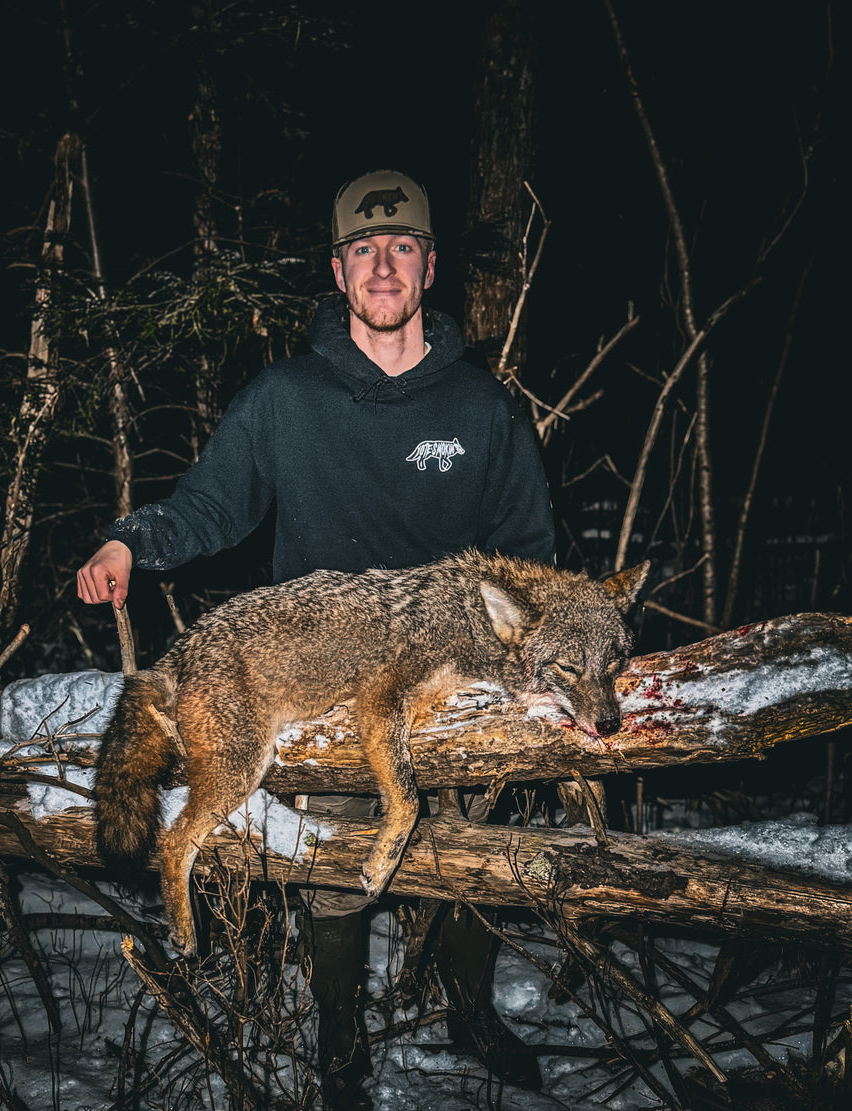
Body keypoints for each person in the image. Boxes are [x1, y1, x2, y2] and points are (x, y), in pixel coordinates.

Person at [78, 169, 554, 1106]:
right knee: (335, 872)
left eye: (403, 247)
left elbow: (530, 556)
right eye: (364, 251)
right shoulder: (284, 399)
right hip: (324, 678)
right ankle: (340, 1041)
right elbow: (211, 506)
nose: (384, 266)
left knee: (473, 855)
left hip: (455, 680)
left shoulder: (482, 409)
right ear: (339, 273)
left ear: (429, 267)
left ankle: (472, 1007)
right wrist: (130, 540)